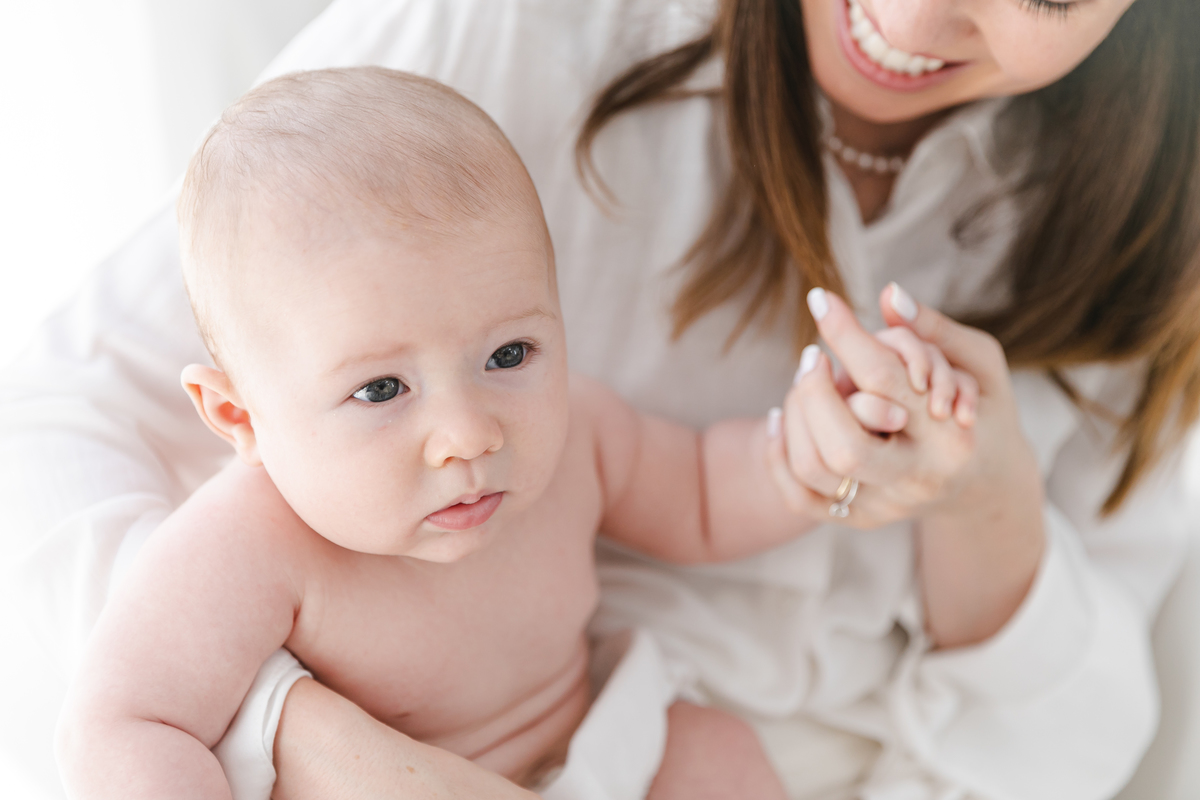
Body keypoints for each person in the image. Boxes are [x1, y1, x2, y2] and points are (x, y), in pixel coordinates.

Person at [4, 0, 1197, 799]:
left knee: (719, 753)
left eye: (511, 352)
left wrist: (843, 458)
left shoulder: (574, 434)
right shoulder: (250, 537)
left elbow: (706, 490)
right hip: (386, 763)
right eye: (381, 388)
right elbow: (121, 697)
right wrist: (301, 737)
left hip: (642, 735)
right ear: (237, 419)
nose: (467, 430)